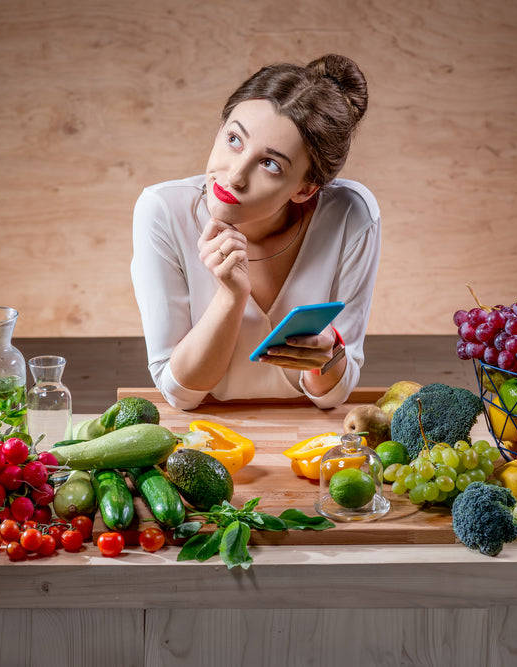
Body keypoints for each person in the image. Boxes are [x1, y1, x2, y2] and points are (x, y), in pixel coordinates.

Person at [130, 54, 380, 410]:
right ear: (220, 128)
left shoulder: (352, 215)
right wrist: (231, 296)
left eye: (270, 164)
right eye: (234, 139)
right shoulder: (162, 211)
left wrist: (330, 353)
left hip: (307, 435)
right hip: (204, 434)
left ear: (306, 189)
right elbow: (180, 392)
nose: (234, 175)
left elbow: (334, 396)